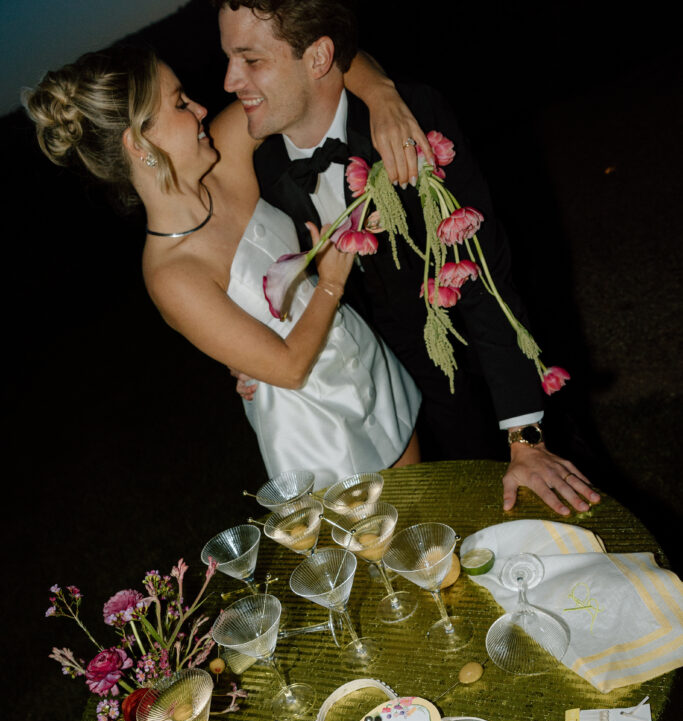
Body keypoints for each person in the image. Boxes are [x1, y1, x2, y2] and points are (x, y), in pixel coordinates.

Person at [215, 0, 602, 517]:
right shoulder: (254, 163)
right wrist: (253, 350)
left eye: (251, 60)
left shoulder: (412, 118)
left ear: (319, 58)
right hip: (369, 408)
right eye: (228, 58)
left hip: (469, 369)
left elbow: (484, 279)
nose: (229, 81)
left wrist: (524, 436)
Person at [24, 45, 421, 489]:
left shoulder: (225, 152)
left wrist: (384, 98)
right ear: (139, 144)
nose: (200, 109)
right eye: (179, 104)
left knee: (433, 519)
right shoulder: (171, 275)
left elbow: (318, 63)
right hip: (318, 432)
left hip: (363, 360)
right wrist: (329, 284)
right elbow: (289, 368)